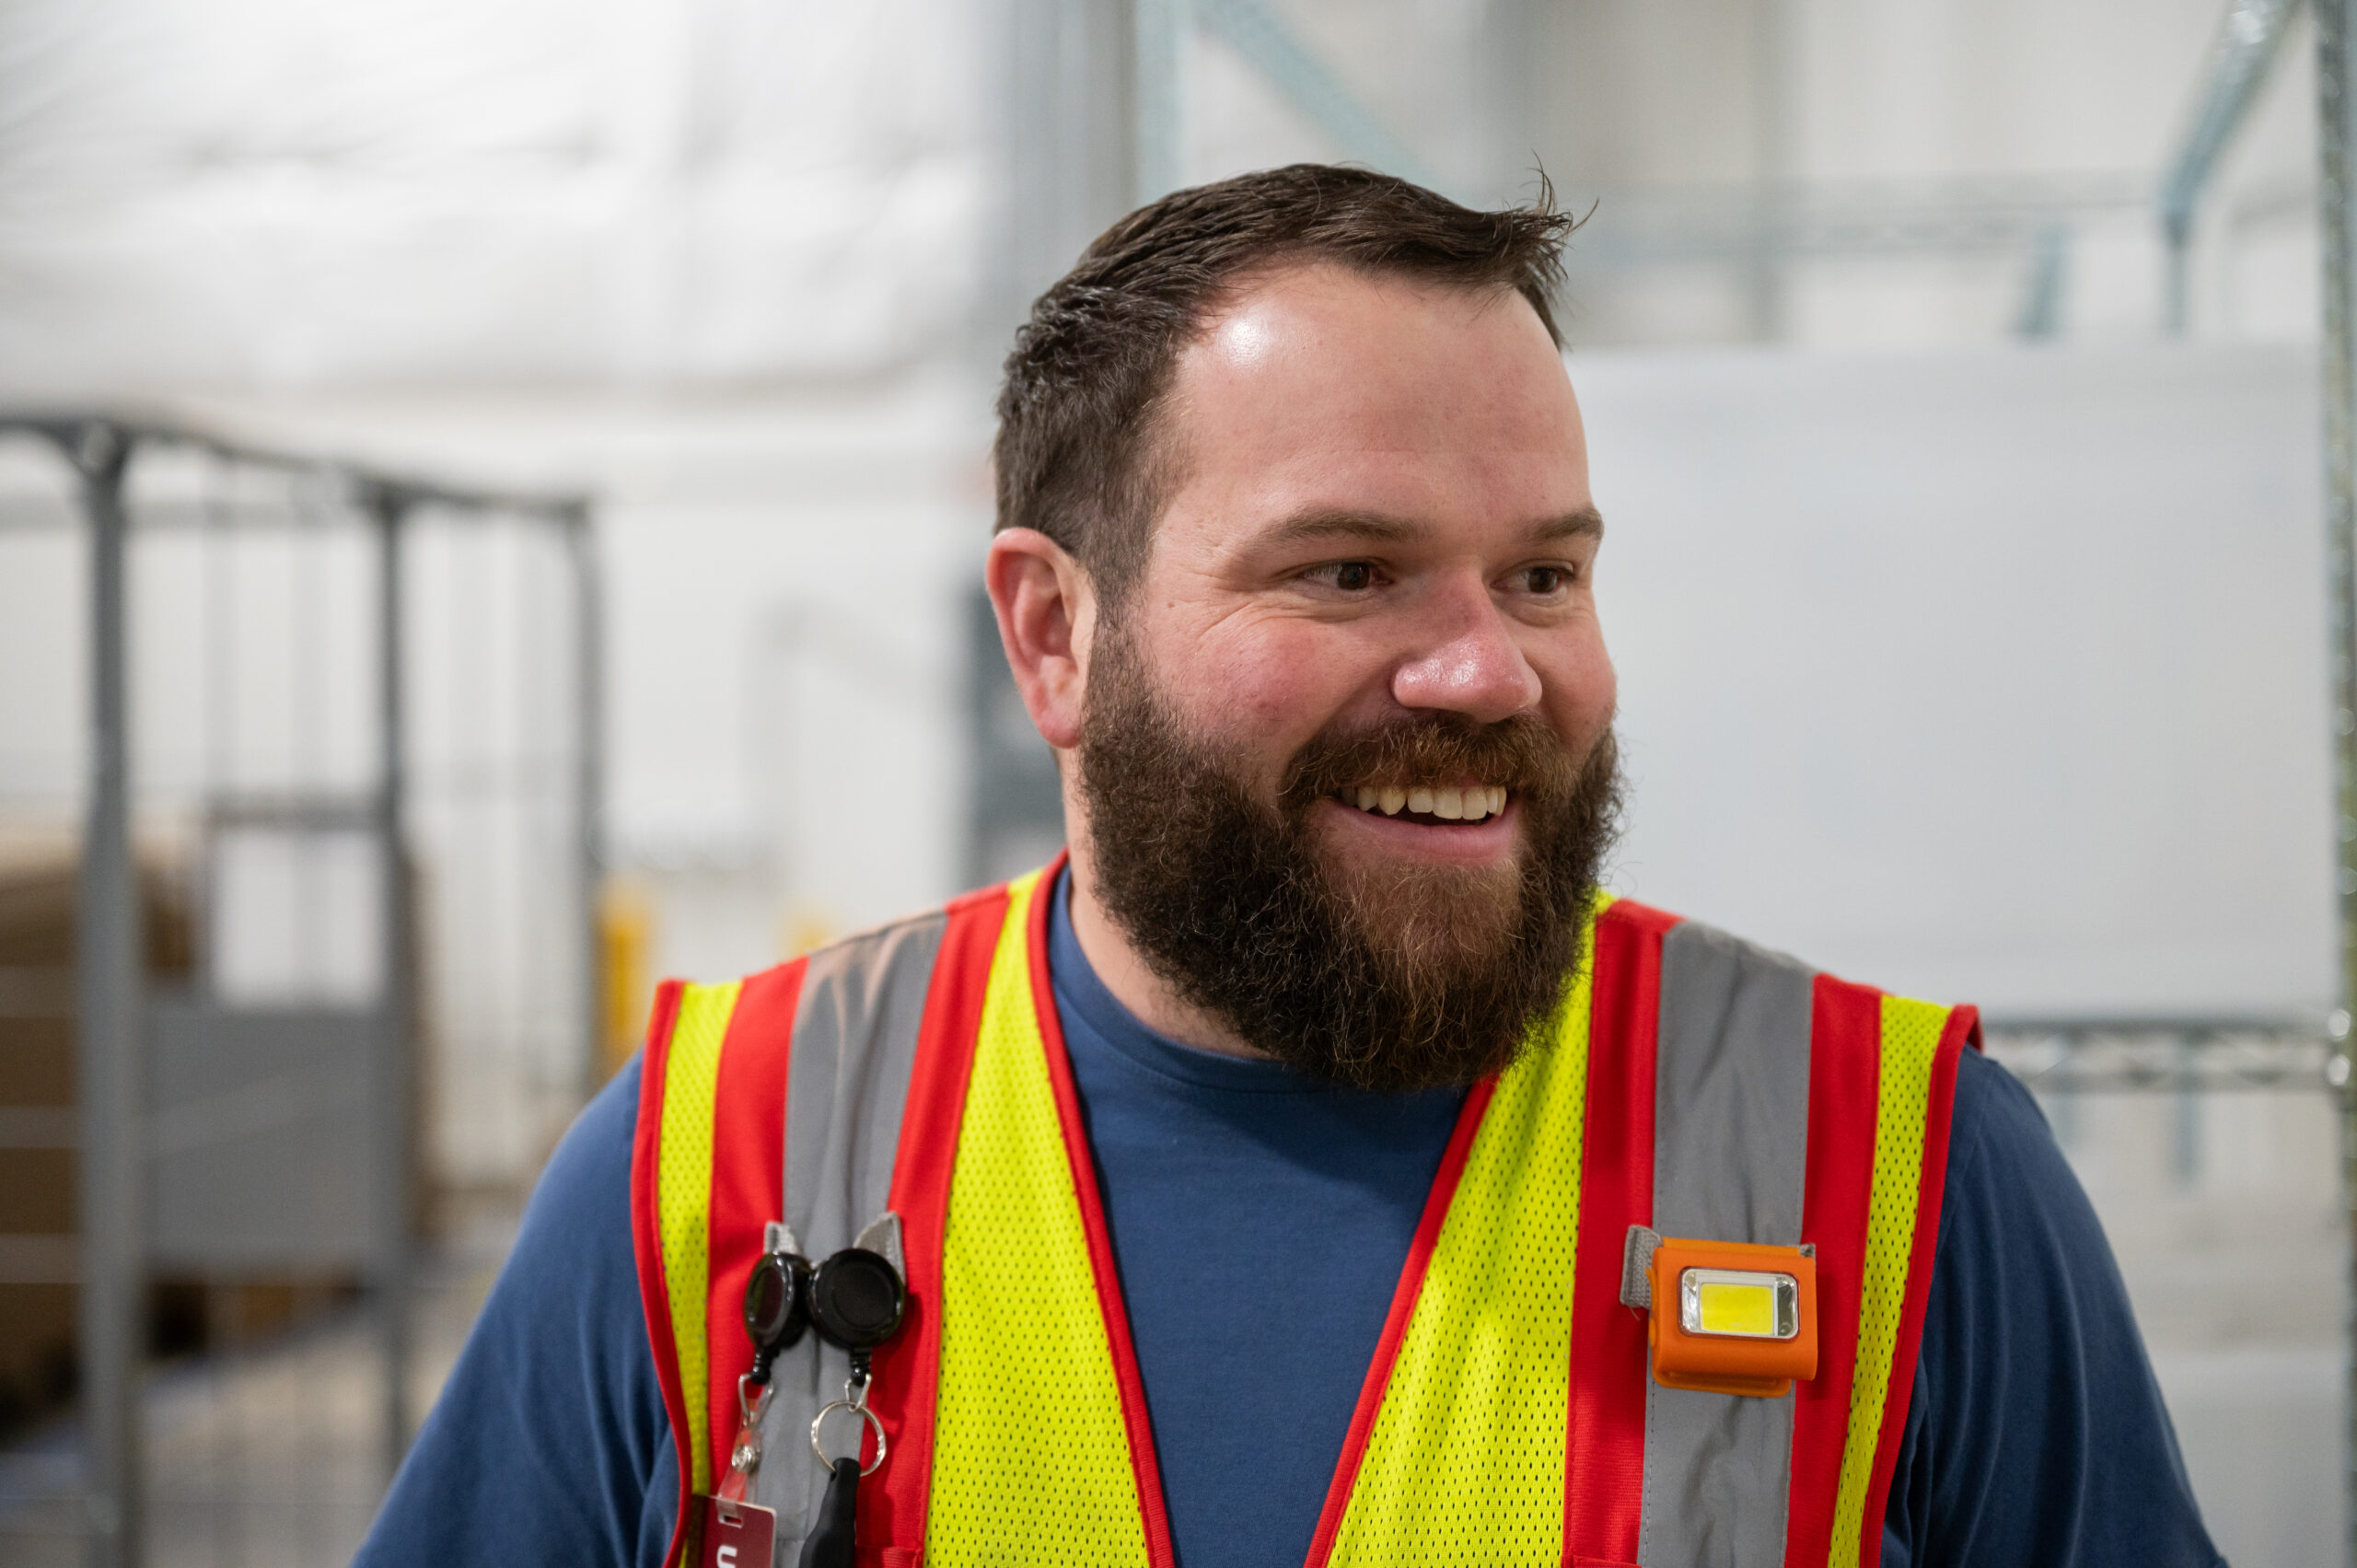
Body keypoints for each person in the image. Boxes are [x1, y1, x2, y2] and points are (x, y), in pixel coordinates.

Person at [356, 165, 2221, 1568]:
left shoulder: (1890, 1171)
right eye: (1346, 571)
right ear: (1053, 637)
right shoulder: (726, 1159)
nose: (1488, 669)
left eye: (1543, 575)